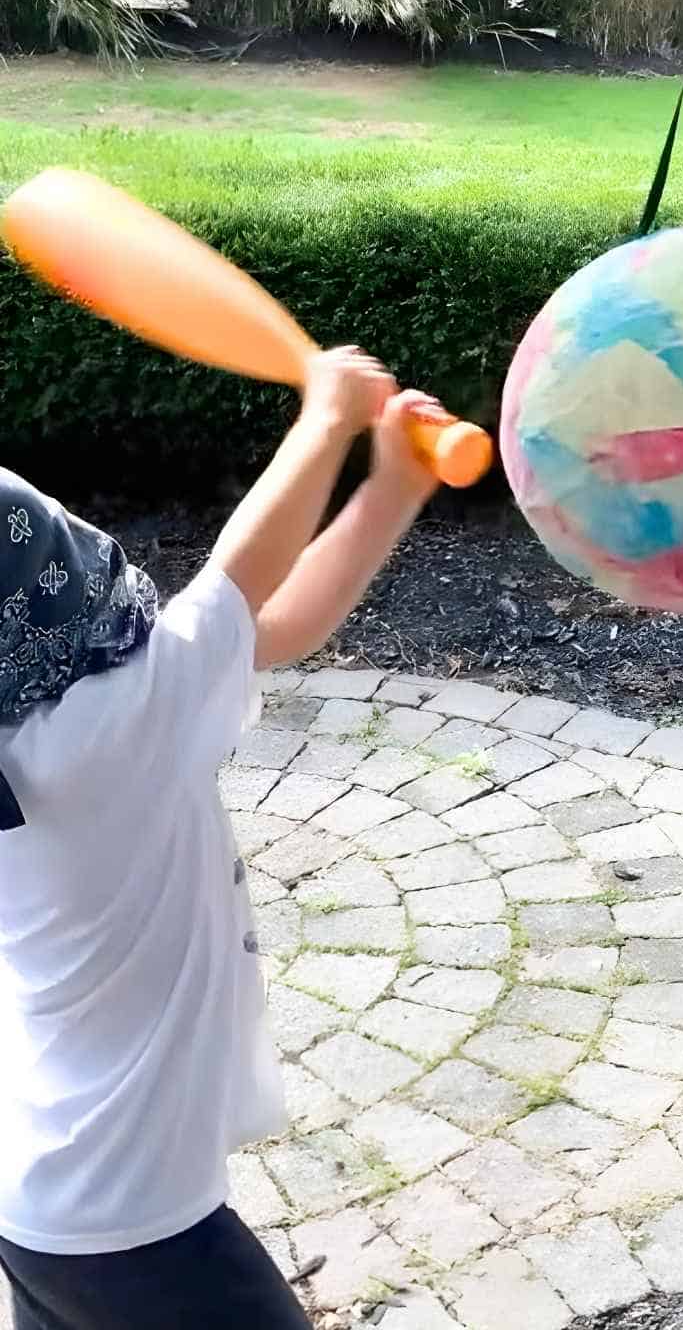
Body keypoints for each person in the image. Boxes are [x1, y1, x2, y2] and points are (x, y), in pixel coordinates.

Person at [0, 349, 437, 1329]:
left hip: (40, 1204)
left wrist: (395, 484)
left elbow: (269, 627)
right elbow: (246, 576)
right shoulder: (114, 725)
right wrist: (326, 420)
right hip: (137, 1229)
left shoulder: (50, 736)